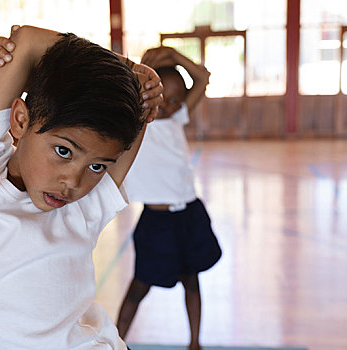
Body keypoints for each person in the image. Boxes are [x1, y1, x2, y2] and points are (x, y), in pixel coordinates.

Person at [0, 25, 162, 350]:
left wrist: (137, 80)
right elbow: (27, 41)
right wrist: (125, 68)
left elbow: (141, 96)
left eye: (96, 166)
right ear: (20, 121)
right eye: (63, 151)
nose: (74, 182)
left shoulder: (86, 206)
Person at [119, 46, 222, 350]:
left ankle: (194, 343)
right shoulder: (137, 123)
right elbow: (130, 80)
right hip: (157, 221)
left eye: (177, 100)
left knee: (192, 280)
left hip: (189, 215)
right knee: (139, 287)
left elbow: (202, 78)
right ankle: (114, 341)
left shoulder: (177, 118)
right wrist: (145, 68)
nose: (170, 106)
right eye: (164, 98)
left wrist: (176, 56)